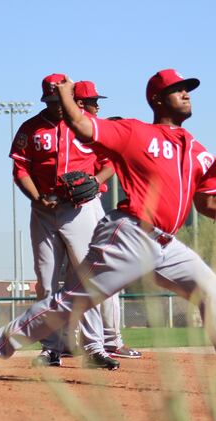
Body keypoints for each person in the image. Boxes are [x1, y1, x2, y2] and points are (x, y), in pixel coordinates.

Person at [0, 69, 216, 396]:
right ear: (157, 99)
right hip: (129, 233)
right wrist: (67, 94)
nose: (186, 94)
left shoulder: (199, 153)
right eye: (177, 89)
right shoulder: (135, 132)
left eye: (187, 89)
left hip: (166, 243)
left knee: (210, 289)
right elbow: (82, 124)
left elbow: (207, 204)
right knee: (71, 303)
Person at [7, 73, 118, 370]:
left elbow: (110, 163)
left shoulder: (87, 124)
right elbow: (20, 168)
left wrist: (95, 182)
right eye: (51, 101)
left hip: (79, 208)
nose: (57, 106)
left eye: (60, 100)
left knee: (87, 276)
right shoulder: (31, 128)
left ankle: (94, 346)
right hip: (44, 209)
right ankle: (52, 348)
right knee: (46, 281)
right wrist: (35, 197)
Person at [73, 81, 141, 359]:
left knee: (102, 271)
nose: (97, 105)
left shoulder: (94, 133)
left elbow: (111, 162)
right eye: (91, 101)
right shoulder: (66, 133)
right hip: (61, 210)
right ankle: (72, 342)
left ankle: (110, 339)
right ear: (78, 104)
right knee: (75, 278)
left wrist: (95, 179)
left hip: (89, 206)